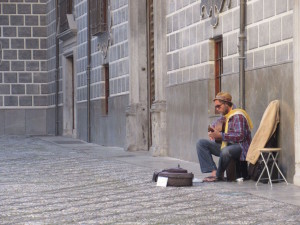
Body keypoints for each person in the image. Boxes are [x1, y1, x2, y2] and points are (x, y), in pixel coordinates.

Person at [196, 92, 253, 182]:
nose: (217, 109)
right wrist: (211, 131)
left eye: (219, 106)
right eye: (216, 107)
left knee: (226, 150)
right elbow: (214, 125)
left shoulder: (238, 116)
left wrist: (220, 135)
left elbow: (240, 136)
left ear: (227, 104)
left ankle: (218, 175)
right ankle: (214, 171)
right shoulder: (224, 116)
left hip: (240, 147)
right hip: (226, 145)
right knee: (201, 143)